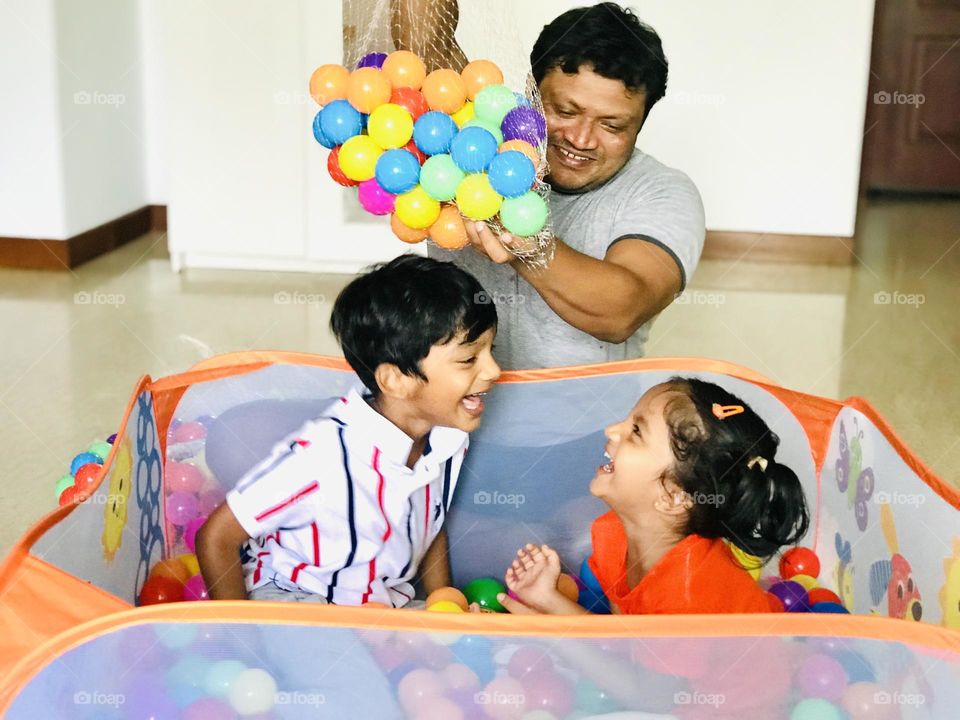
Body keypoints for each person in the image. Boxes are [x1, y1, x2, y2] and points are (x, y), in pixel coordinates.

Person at [395, 1, 705, 368]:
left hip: (584, 421)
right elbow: (424, 39)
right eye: (565, 111)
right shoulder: (470, 147)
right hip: (451, 418)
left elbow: (622, 311)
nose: (581, 139)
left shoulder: (661, 191)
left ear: (639, 124)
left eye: (612, 126)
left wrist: (531, 248)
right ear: (531, 91)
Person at [196, 255, 500, 605]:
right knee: (352, 659)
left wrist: (445, 604)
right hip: (296, 598)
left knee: (465, 652)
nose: (493, 370)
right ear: (397, 380)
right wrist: (242, 631)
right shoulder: (322, 455)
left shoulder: (446, 438)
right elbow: (216, 536)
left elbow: (430, 522)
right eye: (469, 359)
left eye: (492, 351)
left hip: (381, 605)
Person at [497, 377, 810, 615]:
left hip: (734, 700)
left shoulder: (688, 592)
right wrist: (546, 600)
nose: (611, 430)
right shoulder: (612, 534)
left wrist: (551, 623)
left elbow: (645, 690)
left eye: (636, 431)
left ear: (673, 496)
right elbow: (627, 641)